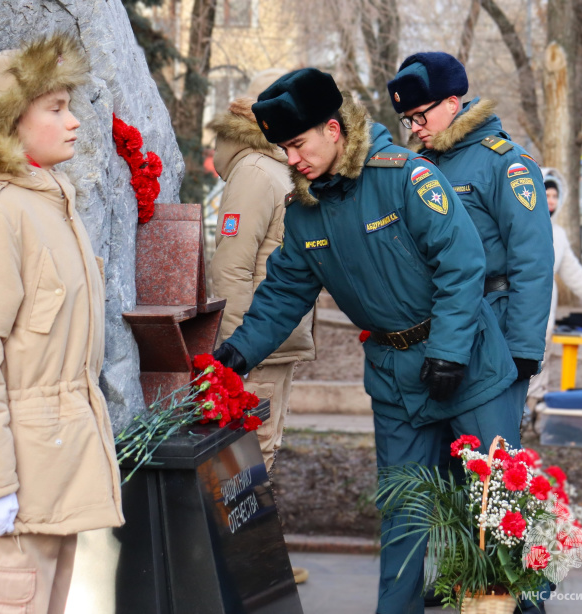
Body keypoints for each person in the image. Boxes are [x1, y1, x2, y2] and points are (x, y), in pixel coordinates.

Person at [213, 67, 522, 614]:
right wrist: (238, 353)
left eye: (298, 143)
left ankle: (520, 605)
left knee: (496, 509)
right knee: (402, 515)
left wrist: (449, 351)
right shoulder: (305, 208)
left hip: (467, 366)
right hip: (395, 377)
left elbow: (462, 261)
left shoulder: (402, 176)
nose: (291, 159)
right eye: (283, 148)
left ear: (334, 130)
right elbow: (285, 288)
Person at [0, 34, 123, 613]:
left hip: (47, 478)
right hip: (8, 491)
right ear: (8, 121)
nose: (75, 122)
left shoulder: (44, 199)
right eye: (56, 109)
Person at [387, 52, 554, 420]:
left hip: (494, 328)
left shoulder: (505, 163)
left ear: (452, 103)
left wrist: (523, 347)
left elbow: (533, 259)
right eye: (407, 119)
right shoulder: (420, 167)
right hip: (436, 330)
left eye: (420, 115)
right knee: (435, 471)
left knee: (488, 462)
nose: (414, 127)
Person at [208, 96, 315, 475]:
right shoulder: (256, 172)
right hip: (257, 346)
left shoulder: (273, 168)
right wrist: (241, 351)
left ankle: (256, 535)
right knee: (251, 453)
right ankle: (249, 537)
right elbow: (230, 268)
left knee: (262, 447)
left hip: (272, 340)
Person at [528, 168, 582, 402]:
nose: (551, 201)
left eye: (555, 196)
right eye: (547, 194)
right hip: (521, 307)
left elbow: (577, 278)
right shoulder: (521, 228)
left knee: (544, 357)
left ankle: (536, 410)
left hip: (547, 306)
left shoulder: (558, 235)